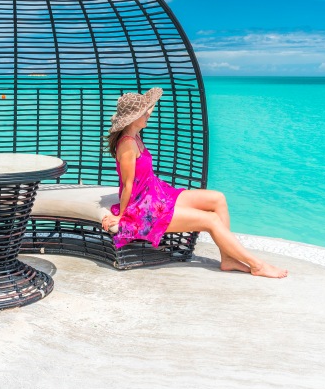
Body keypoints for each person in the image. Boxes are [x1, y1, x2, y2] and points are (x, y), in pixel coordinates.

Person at [101, 87, 288, 278]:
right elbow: (128, 184)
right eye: (145, 113)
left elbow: (149, 107)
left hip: (157, 193)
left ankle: (228, 258)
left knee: (218, 199)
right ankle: (257, 265)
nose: (149, 115)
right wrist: (123, 216)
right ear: (134, 118)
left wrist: (148, 103)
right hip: (143, 207)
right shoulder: (127, 144)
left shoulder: (135, 134)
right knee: (211, 220)